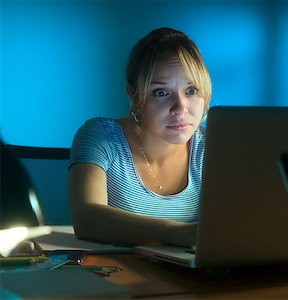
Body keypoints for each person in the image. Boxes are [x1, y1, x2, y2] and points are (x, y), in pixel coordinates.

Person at [68, 27, 212, 247]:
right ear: (135, 98)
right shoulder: (101, 137)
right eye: (161, 92)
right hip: (116, 274)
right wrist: (172, 233)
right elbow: (86, 219)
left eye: (191, 90)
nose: (180, 107)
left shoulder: (214, 146)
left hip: (195, 277)